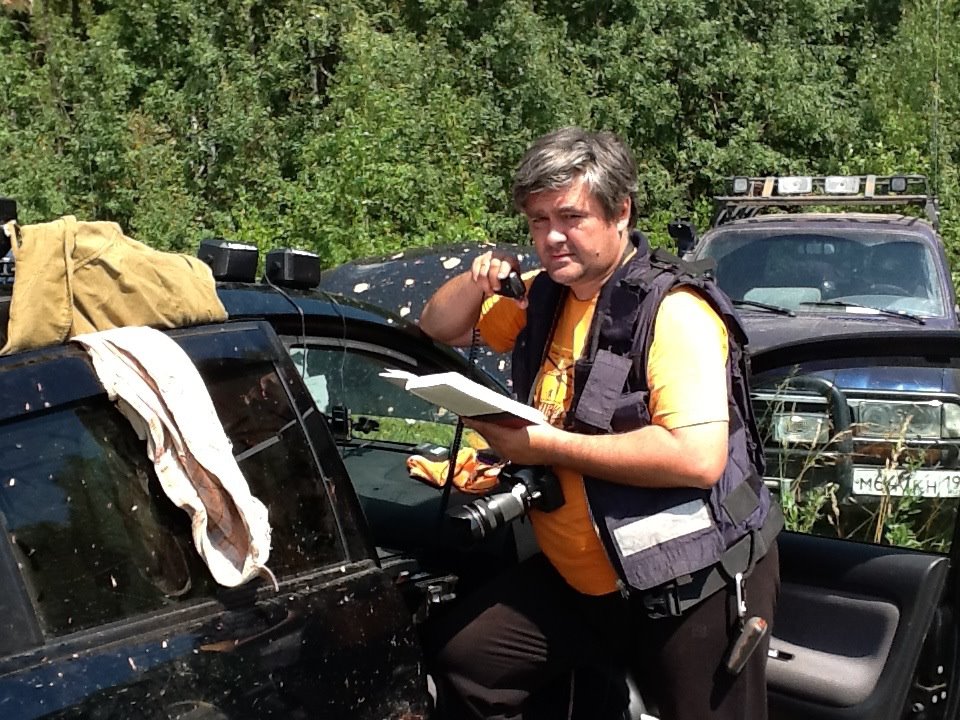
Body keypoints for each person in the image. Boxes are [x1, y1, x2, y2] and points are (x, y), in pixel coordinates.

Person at [418, 127, 781, 720]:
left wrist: (545, 446)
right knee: (467, 661)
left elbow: (697, 457)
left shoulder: (675, 313)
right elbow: (438, 327)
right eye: (538, 220)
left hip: (691, 585)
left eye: (570, 217)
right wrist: (477, 280)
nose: (551, 237)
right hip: (581, 581)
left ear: (620, 212)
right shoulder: (543, 294)